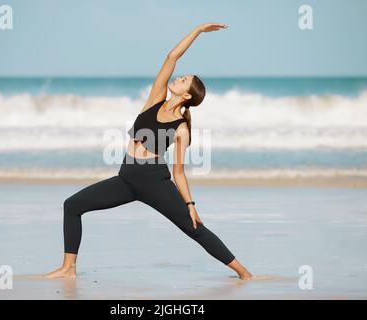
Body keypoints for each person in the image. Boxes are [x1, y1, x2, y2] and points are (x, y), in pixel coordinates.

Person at [45, 22, 253, 280]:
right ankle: (69, 269)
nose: (179, 78)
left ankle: (244, 274)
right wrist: (198, 32)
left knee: (195, 229)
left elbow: (178, 172)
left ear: (188, 96)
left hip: (155, 182)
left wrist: (190, 204)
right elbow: (171, 57)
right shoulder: (156, 98)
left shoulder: (181, 129)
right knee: (72, 205)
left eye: (184, 80)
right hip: (126, 178)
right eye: (182, 76)